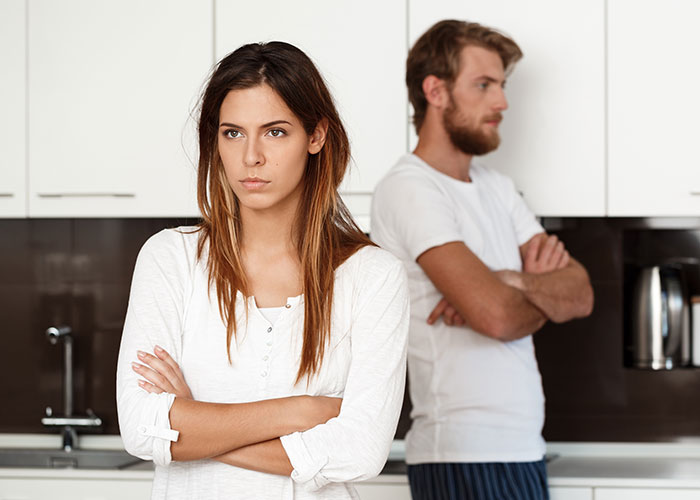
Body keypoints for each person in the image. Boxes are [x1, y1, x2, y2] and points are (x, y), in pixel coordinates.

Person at [116, 41, 409, 500]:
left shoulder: (373, 276)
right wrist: (299, 411)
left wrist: (193, 422)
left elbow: (361, 449)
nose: (251, 156)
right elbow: (139, 429)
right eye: (233, 133)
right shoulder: (169, 260)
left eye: (275, 132)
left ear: (316, 137)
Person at [370, 20, 594, 500]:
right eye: (484, 85)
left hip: (520, 449)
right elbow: (496, 317)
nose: (503, 103)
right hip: (461, 454)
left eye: (503, 86)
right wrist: (515, 296)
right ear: (436, 91)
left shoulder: (496, 187)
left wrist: (508, 279)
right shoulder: (410, 188)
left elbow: (580, 294)